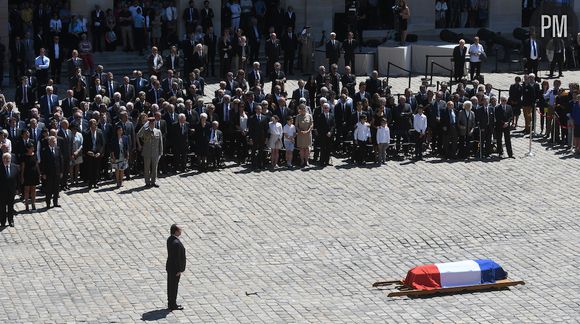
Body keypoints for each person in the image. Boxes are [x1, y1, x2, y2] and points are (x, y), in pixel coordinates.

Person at [138, 117, 163, 187]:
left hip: (155, 153)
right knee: (147, 168)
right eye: (151, 123)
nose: (152, 125)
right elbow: (139, 135)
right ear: (149, 124)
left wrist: (161, 152)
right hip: (147, 153)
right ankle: (147, 182)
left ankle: (153, 181)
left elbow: (160, 143)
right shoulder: (145, 131)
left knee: (154, 168)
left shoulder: (158, 131)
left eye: (153, 123)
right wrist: (144, 126)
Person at [166, 224, 186, 311]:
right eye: (179, 230)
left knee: (170, 286)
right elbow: (177, 258)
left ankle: (170, 302)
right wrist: (179, 270)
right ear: (176, 231)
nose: (181, 231)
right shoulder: (176, 243)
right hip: (175, 269)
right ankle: (173, 304)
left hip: (170, 267)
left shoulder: (170, 239)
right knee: (174, 287)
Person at [40, 136, 63, 209]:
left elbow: (60, 160)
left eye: (55, 141)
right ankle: (48, 203)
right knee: (48, 189)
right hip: (48, 173)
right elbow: (43, 163)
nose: (54, 142)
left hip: (57, 172)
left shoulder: (58, 149)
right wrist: (43, 173)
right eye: (52, 141)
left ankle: (55, 202)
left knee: (56, 189)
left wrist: (61, 171)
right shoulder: (45, 150)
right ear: (49, 142)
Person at [83, 119, 104, 189]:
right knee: (90, 169)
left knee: (96, 168)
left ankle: (95, 182)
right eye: (93, 125)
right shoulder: (86, 133)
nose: (95, 126)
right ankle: (90, 183)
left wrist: (99, 152)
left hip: (97, 153)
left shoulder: (100, 132)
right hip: (90, 153)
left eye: (95, 125)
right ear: (90, 126)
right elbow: (84, 145)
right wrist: (87, 151)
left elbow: (102, 144)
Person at [20, 142, 40, 211]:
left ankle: (33, 203)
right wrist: (22, 176)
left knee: (33, 189)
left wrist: (39, 174)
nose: (33, 149)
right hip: (27, 174)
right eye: (31, 148)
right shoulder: (24, 156)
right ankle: (27, 205)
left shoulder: (35, 155)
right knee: (27, 190)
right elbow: (23, 167)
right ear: (28, 149)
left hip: (34, 174)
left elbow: (37, 165)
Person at [0, 153, 19, 227]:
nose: (6, 160)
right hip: (2, 191)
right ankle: (2, 221)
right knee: (2, 207)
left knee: (11, 206)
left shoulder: (15, 167)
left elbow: (17, 179)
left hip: (11, 191)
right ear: (2, 159)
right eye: (4, 158)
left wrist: (17, 189)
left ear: (10, 159)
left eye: (8, 158)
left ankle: (11, 220)